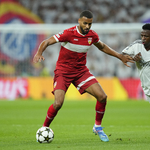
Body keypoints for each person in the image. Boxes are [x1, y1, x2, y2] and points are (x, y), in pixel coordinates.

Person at [33, 10, 133, 142]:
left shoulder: (92, 36)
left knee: (102, 96)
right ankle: (44, 127)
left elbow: (102, 46)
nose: (87, 27)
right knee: (58, 103)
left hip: (81, 72)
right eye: (85, 23)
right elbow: (46, 41)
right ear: (79, 21)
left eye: (90, 24)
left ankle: (97, 127)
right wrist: (39, 52)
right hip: (63, 72)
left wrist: (120, 56)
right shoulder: (68, 33)